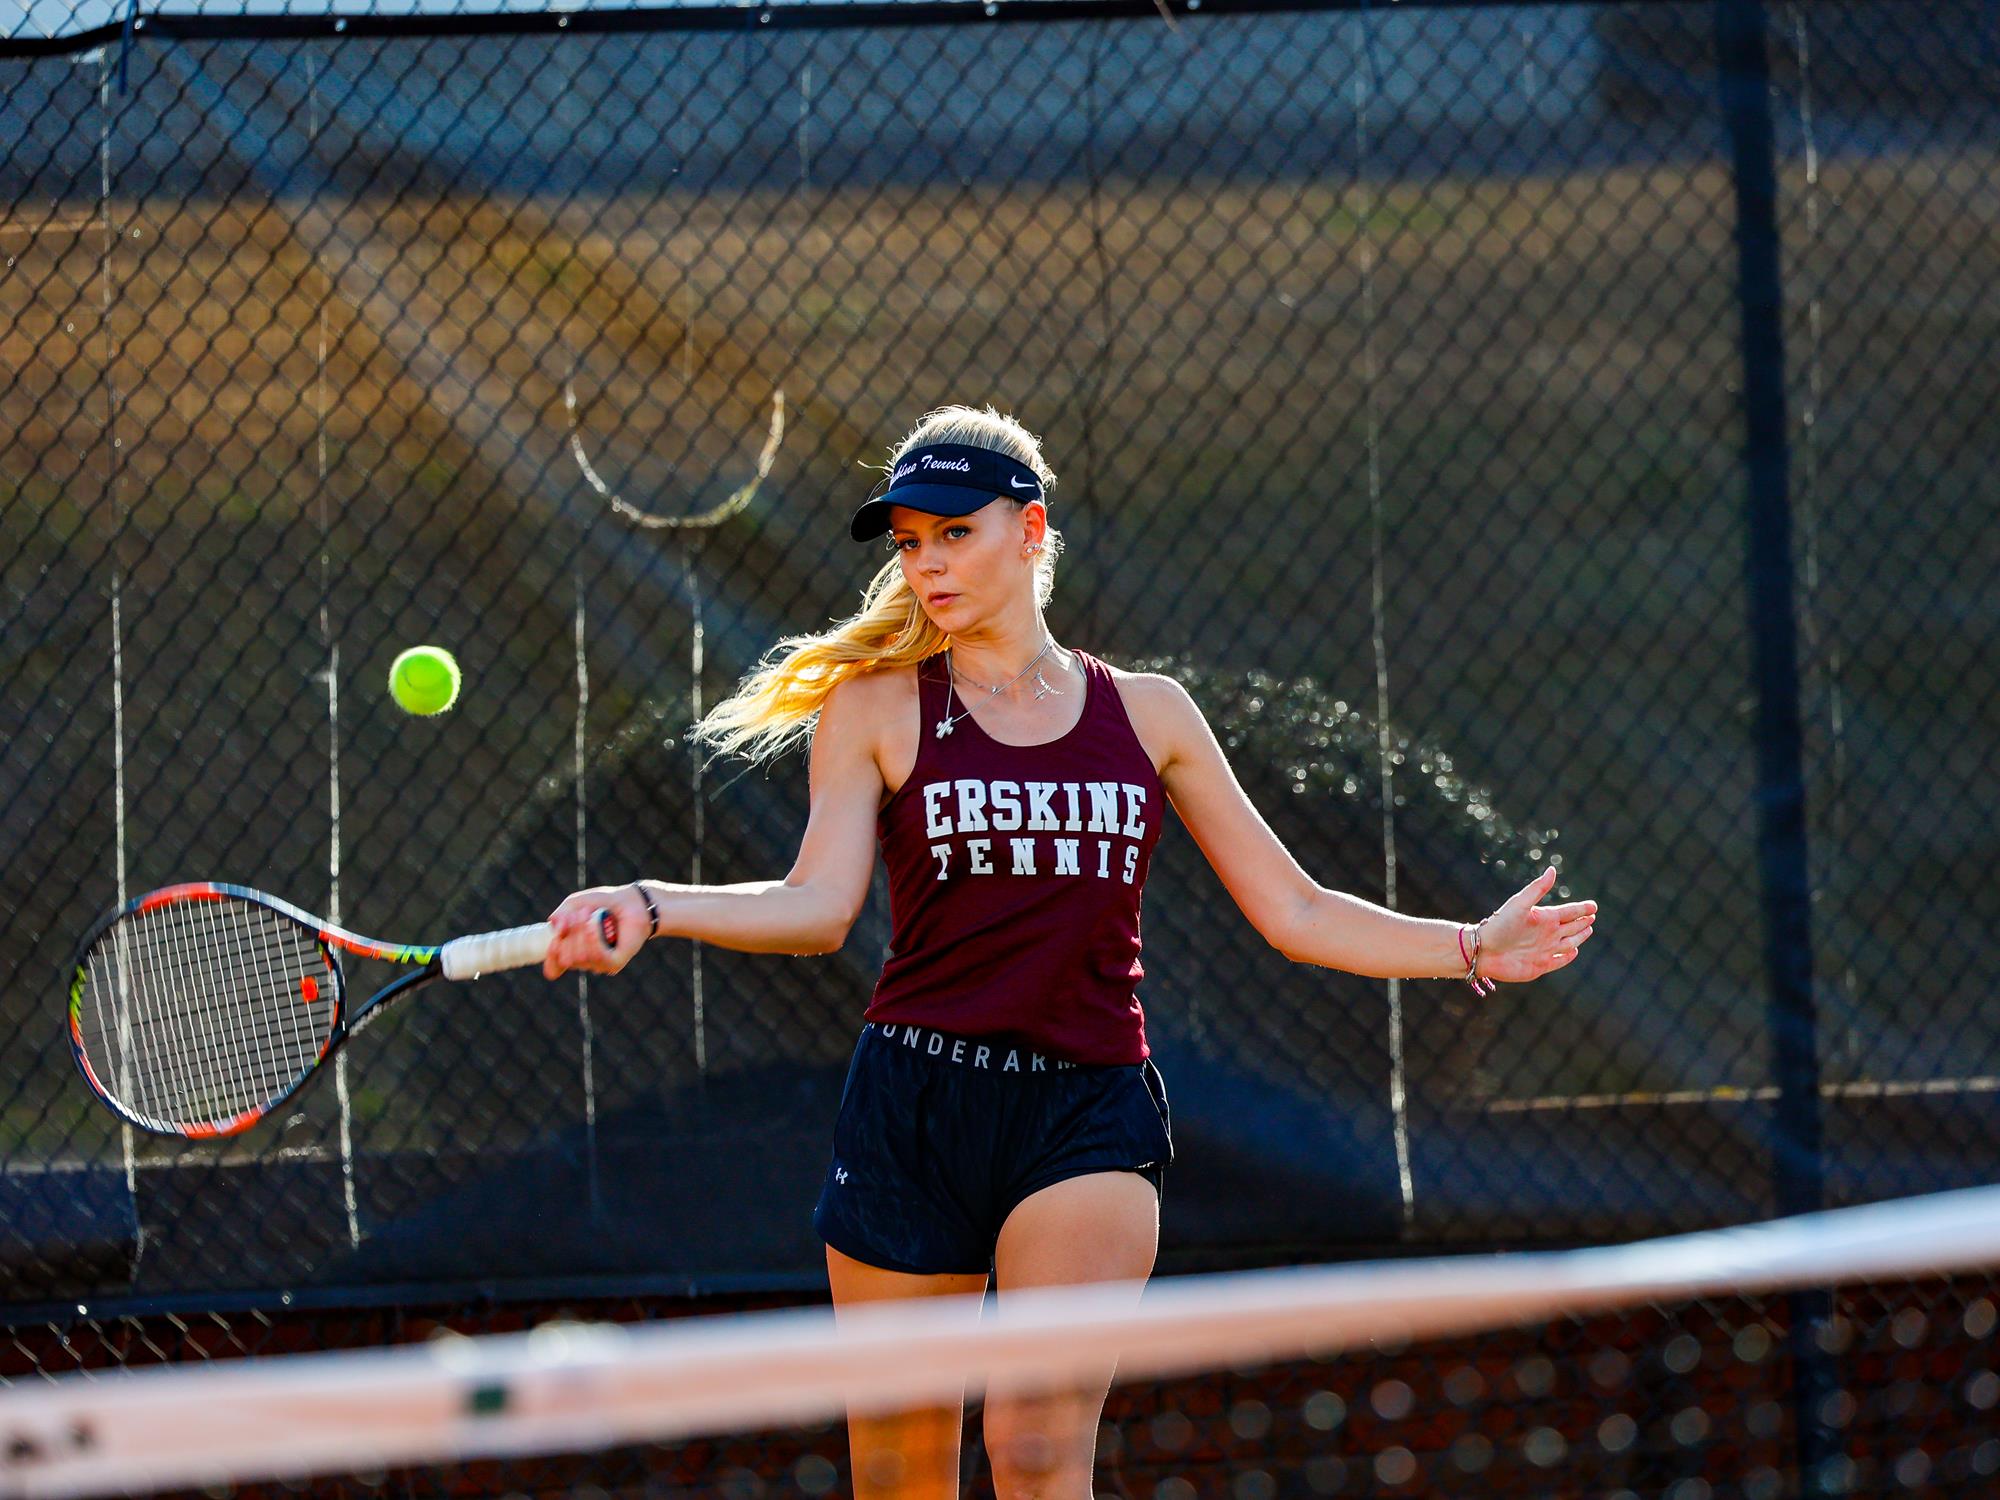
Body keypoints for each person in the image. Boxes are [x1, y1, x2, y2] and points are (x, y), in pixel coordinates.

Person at [540, 402, 1598, 1500]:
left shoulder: (1150, 714)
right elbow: (815, 908)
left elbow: (1296, 909)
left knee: (1040, 1451)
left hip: (1086, 1108)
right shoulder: (876, 710)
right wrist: (651, 905)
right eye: (909, 541)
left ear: (1030, 529)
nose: (927, 562)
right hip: (915, 1108)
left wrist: (1470, 945)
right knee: (901, 1473)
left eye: (956, 532)